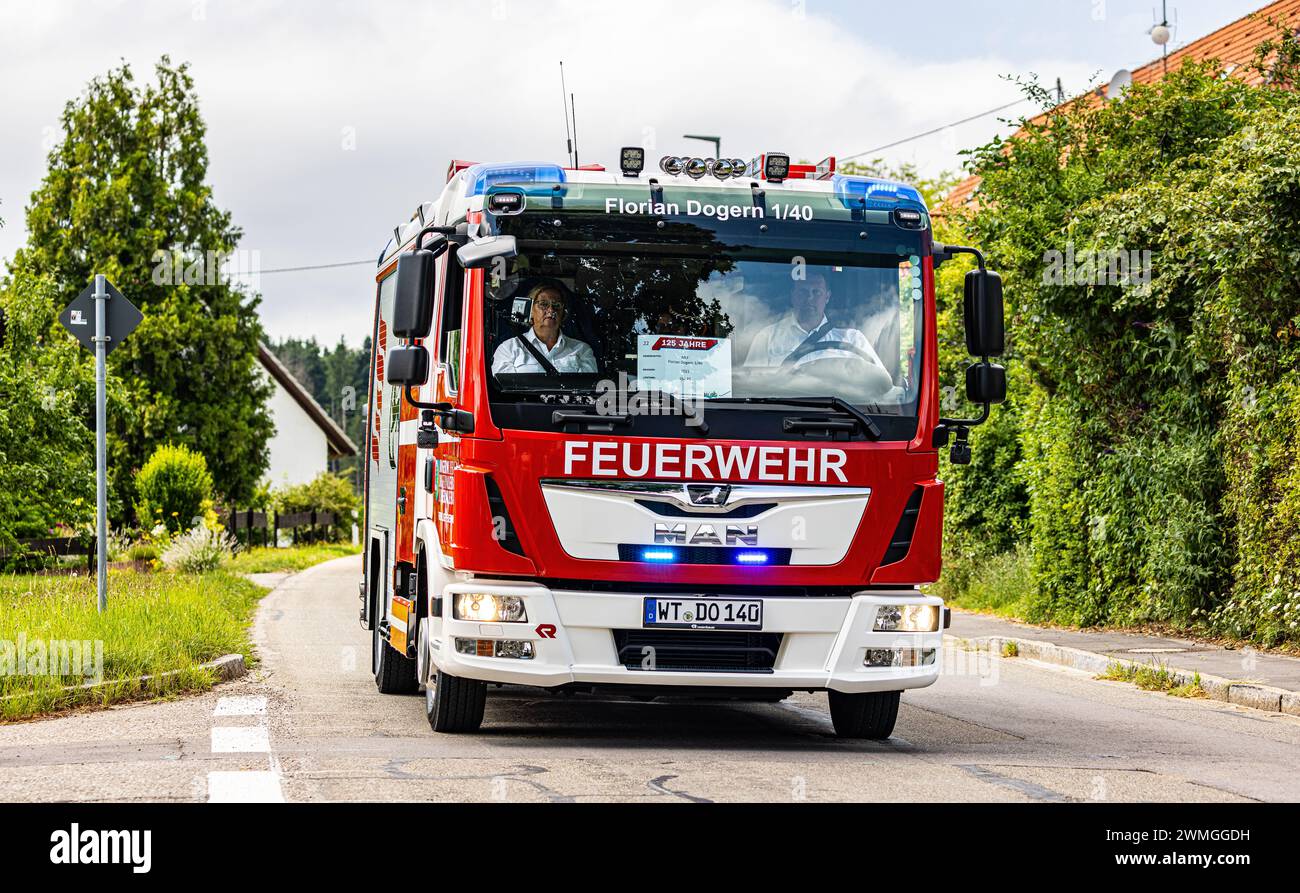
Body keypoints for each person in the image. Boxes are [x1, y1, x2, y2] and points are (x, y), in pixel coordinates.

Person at [743, 272, 886, 370]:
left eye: (816, 292)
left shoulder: (853, 339)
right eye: (803, 292)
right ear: (793, 296)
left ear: (827, 297)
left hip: (844, 413)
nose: (809, 298)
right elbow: (751, 386)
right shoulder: (767, 337)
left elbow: (882, 385)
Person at [491, 282, 597, 375]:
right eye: (543, 304)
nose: (551, 309)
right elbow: (506, 392)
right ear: (530, 311)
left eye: (557, 305)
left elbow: (586, 393)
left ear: (563, 313)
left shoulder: (582, 350)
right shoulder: (508, 349)